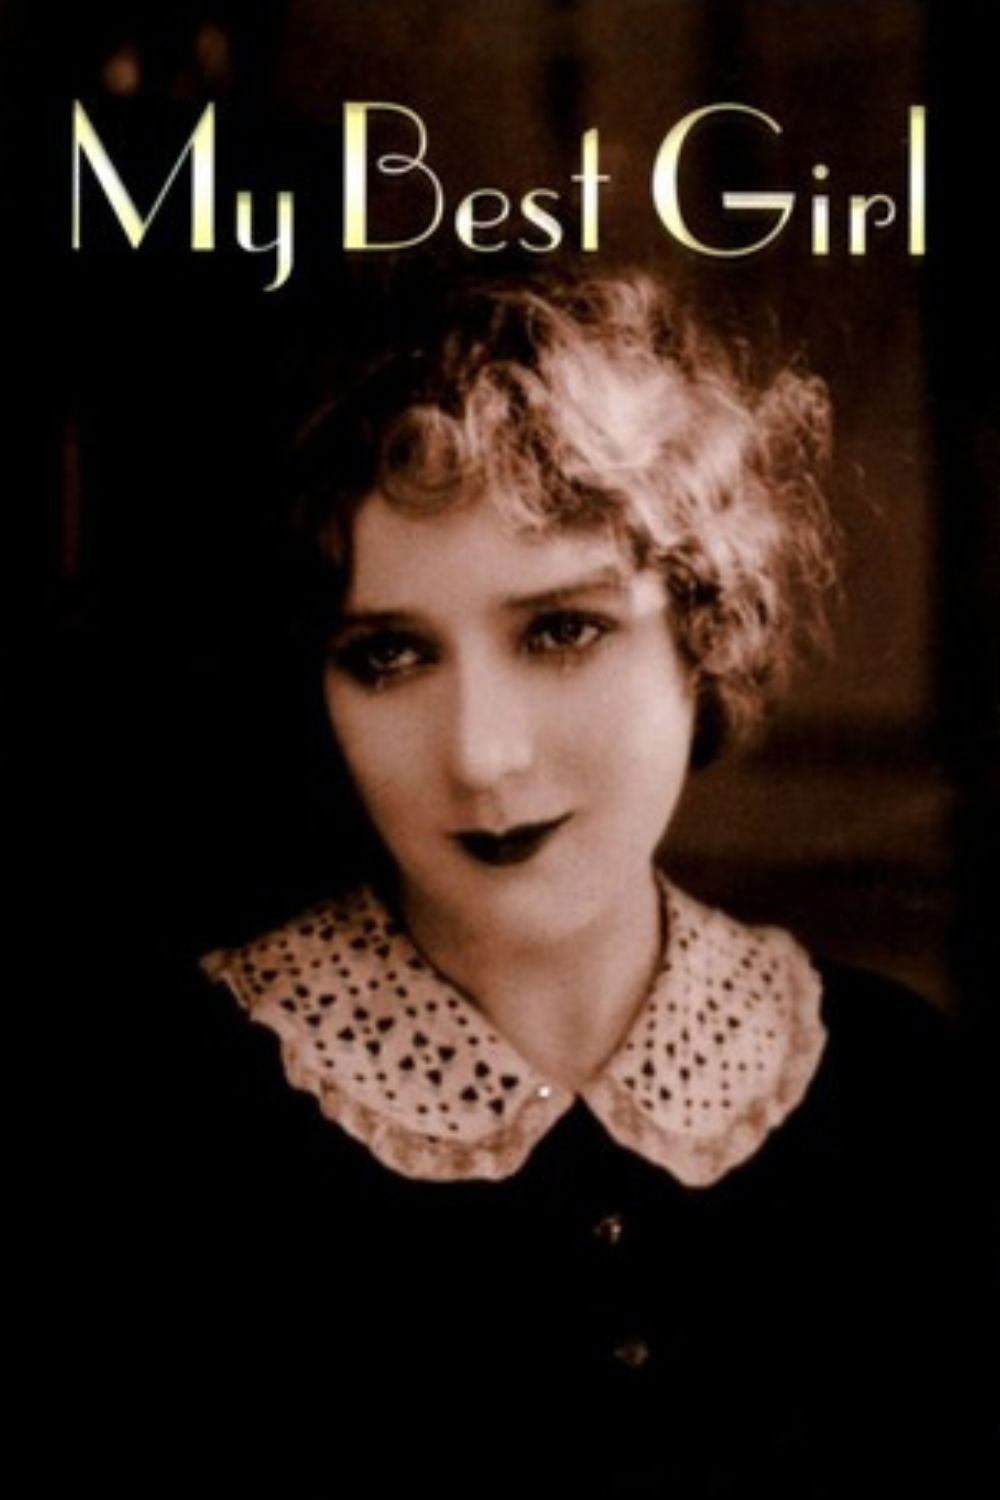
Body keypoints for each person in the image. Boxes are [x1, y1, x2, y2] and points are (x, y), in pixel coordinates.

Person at [66, 271, 990, 1497]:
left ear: (703, 630)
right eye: (388, 655)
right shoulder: (158, 1118)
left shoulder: (898, 1092)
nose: (481, 755)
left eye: (560, 631)